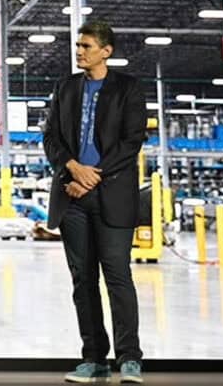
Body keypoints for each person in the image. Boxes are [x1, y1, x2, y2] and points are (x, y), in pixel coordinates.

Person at [42, 21, 147, 384]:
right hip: (72, 196)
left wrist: (92, 174)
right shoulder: (66, 88)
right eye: (78, 45)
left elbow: (132, 141)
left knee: (117, 277)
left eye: (86, 46)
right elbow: (51, 137)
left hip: (111, 195)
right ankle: (93, 358)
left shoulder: (128, 89)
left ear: (106, 51)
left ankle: (129, 358)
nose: (79, 51)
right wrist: (72, 168)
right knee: (82, 280)